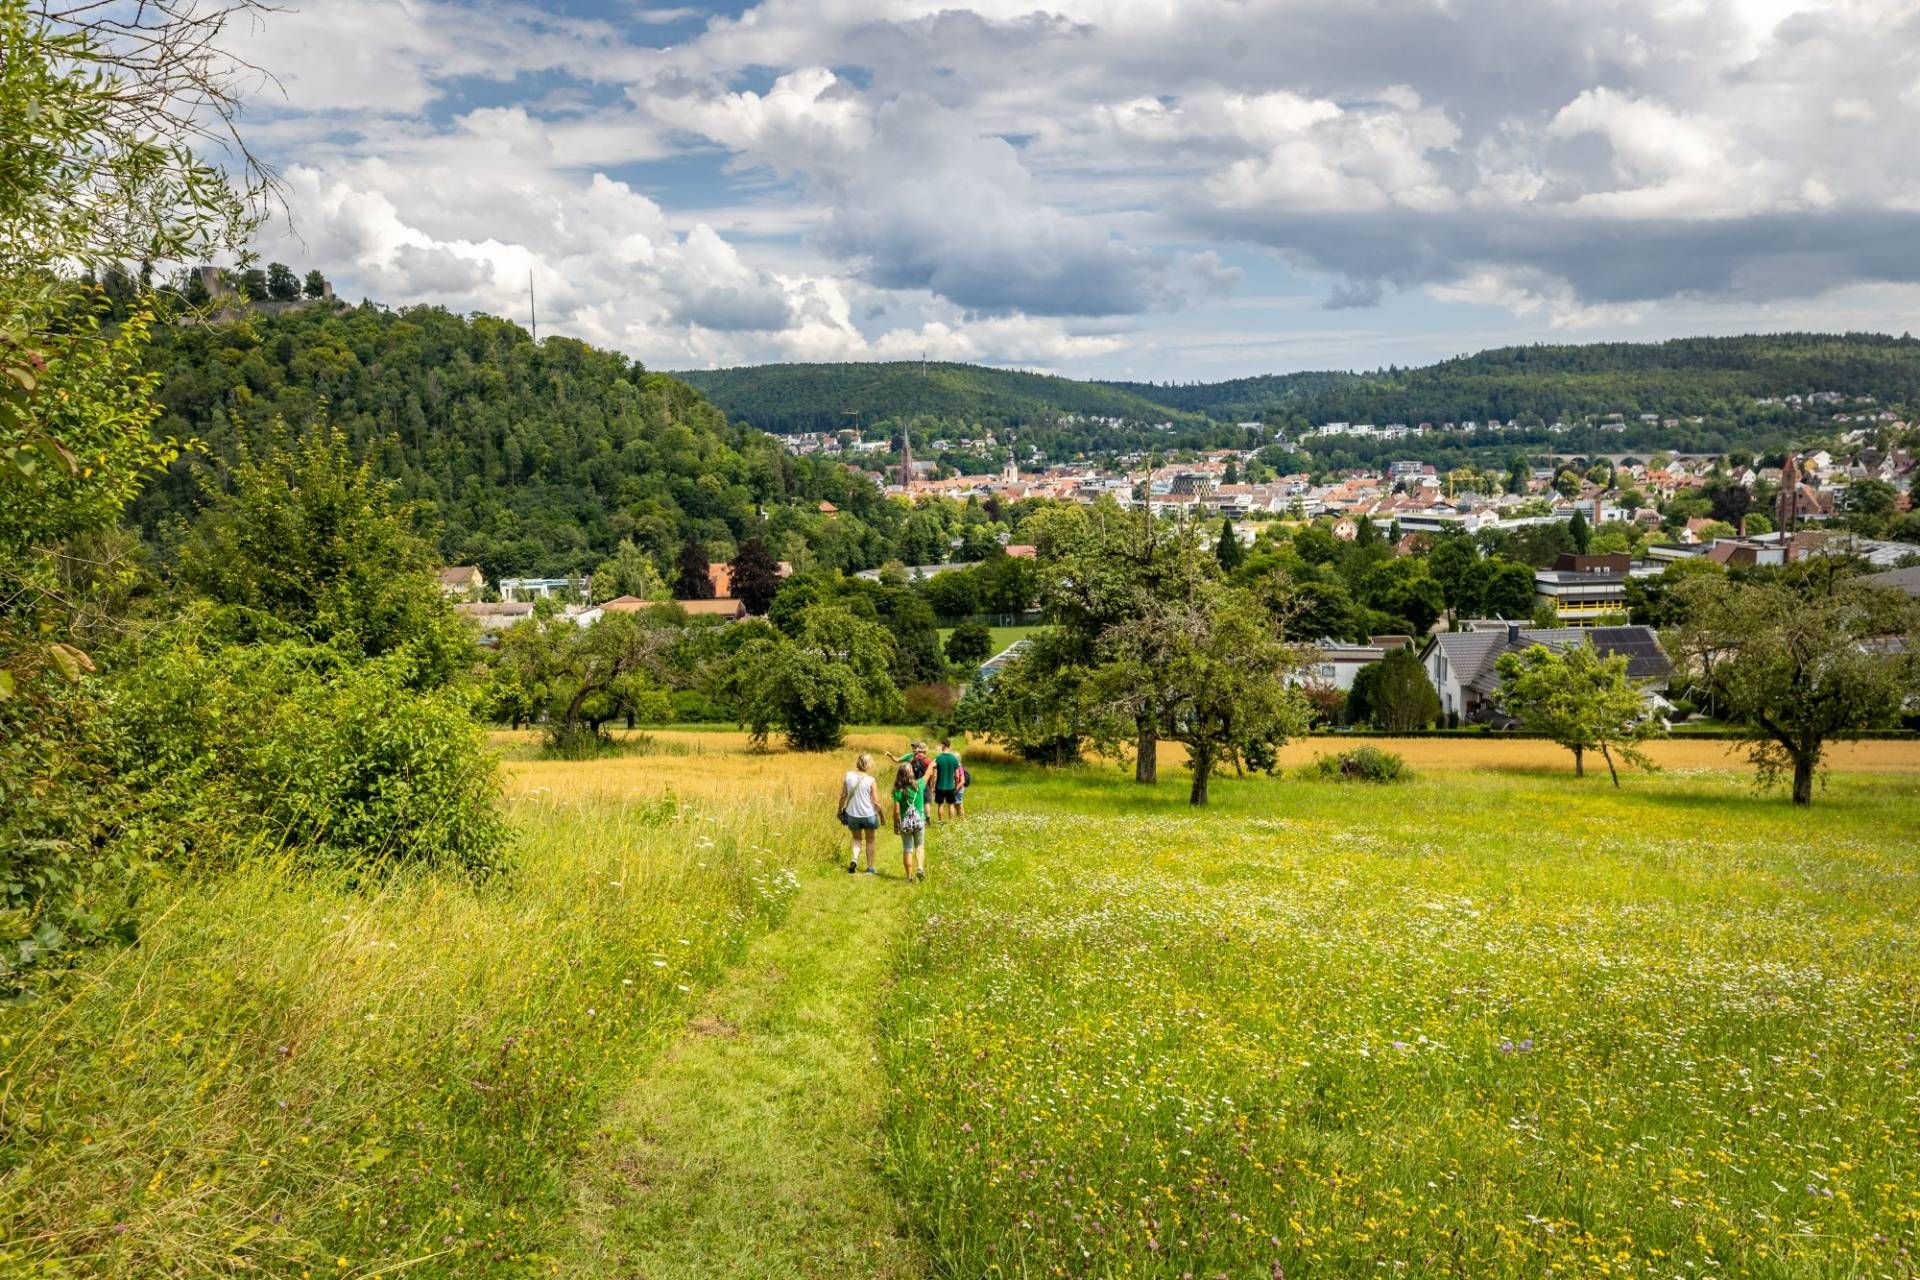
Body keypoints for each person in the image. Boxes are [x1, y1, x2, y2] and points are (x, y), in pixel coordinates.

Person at [838, 752, 882, 875]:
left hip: (853, 815)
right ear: (868, 765)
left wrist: (839, 810)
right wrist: (881, 815)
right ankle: (870, 868)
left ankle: (854, 859)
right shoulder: (871, 780)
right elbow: (876, 801)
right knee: (870, 841)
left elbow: (843, 796)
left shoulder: (848, 776)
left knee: (856, 838)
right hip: (869, 815)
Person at [890, 761, 928, 881]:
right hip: (919, 822)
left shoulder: (897, 791)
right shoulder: (920, 785)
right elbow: (928, 773)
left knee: (907, 849)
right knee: (919, 846)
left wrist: (896, 826)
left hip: (905, 824)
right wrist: (933, 764)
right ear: (911, 773)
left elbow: (896, 812)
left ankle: (909, 877)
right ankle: (920, 868)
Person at [932, 738, 963, 823]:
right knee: (951, 805)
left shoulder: (938, 758)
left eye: (941, 745)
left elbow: (934, 775)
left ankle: (941, 822)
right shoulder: (954, 759)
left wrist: (933, 786)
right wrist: (956, 786)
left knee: (940, 805)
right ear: (949, 746)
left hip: (940, 786)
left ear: (944, 745)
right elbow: (957, 776)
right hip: (950, 787)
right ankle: (951, 822)